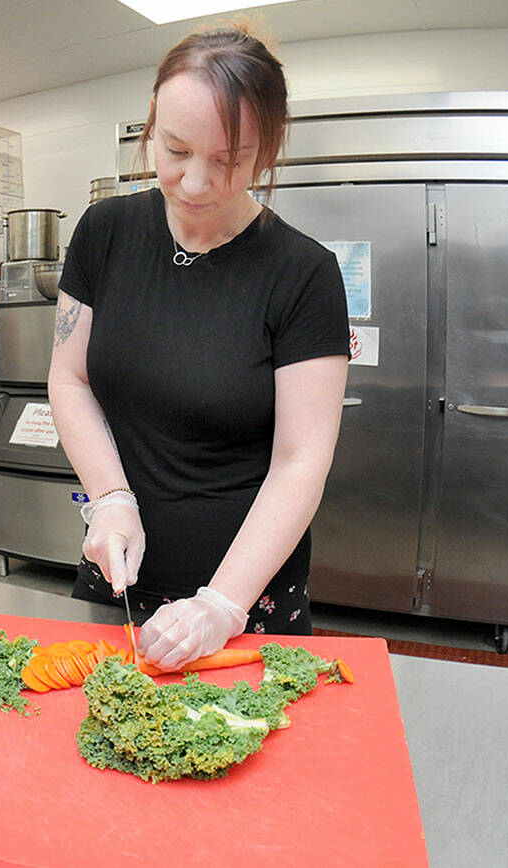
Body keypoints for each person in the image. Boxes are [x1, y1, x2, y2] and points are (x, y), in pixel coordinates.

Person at [48, 24, 350, 673]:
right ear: (152, 124)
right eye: (176, 149)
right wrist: (111, 498)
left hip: (247, 601)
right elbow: (69, 379)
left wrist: (220, 605)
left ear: (268, 152)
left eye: (228, 160)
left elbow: (302, 458)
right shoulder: (104, 233)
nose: (193, 182)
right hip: (117, 579)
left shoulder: (304, 273)